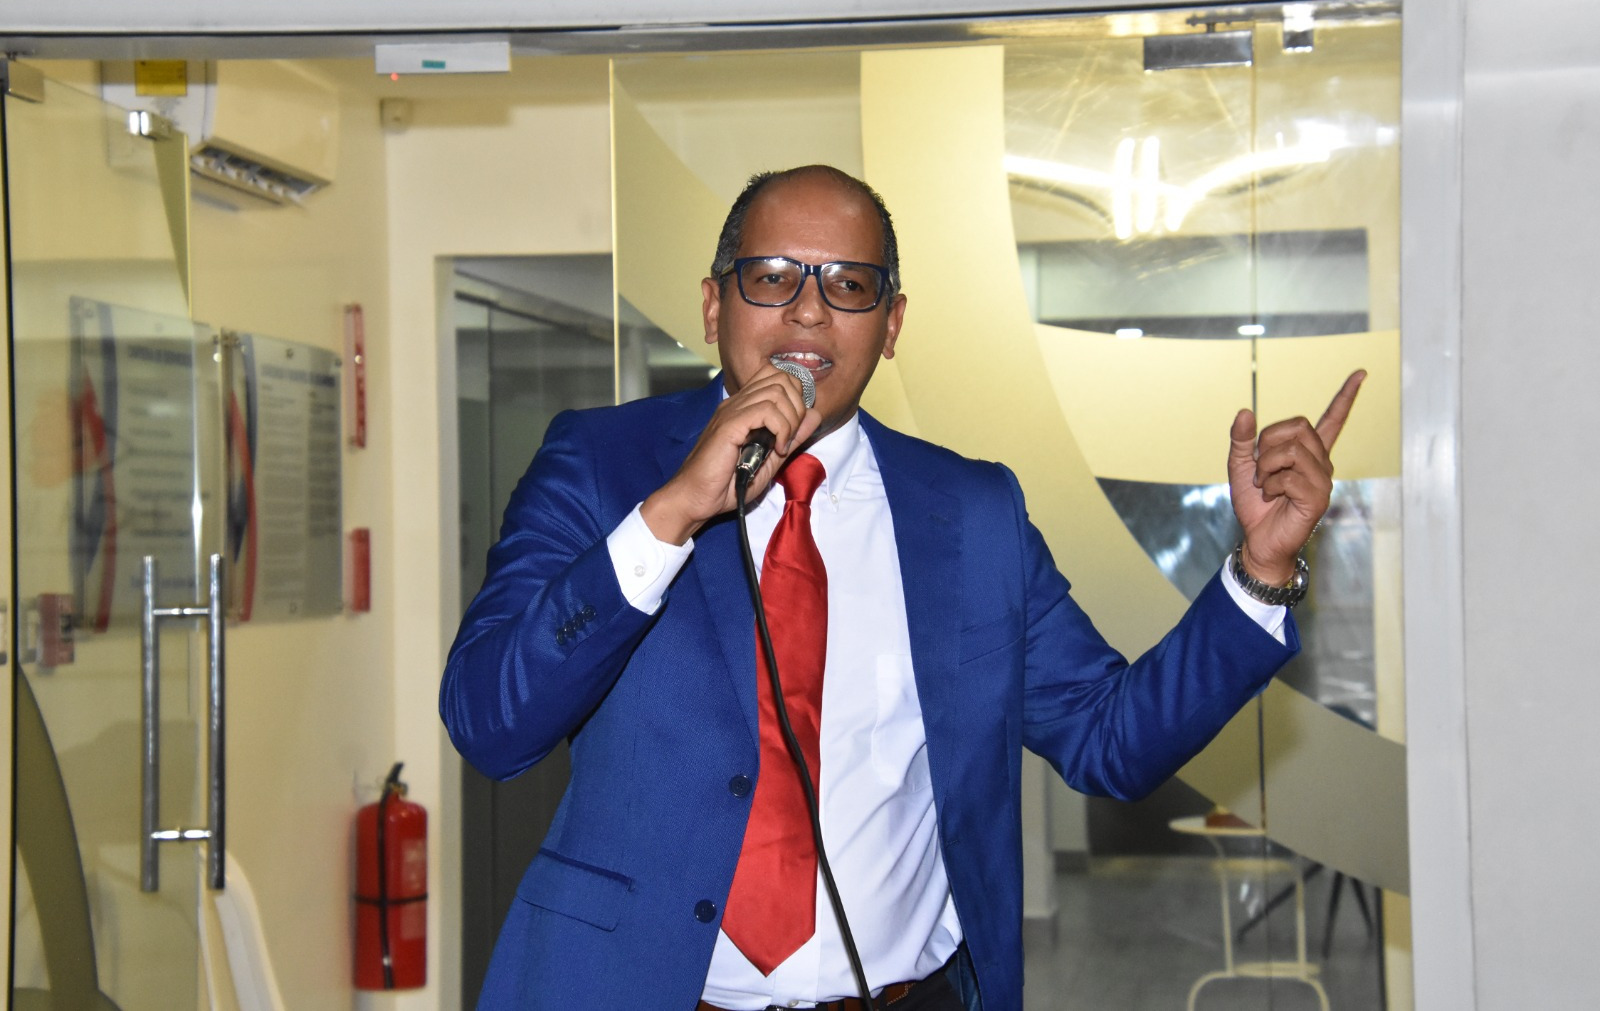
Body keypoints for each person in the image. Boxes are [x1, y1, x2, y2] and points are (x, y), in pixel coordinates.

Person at [441, 164, 1363, 1011]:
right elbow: (490, 722)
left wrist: (1262, 570)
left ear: (891, 326)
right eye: (773, 276)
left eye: (849, 285)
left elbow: (1108, 738)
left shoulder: (971, 512)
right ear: (714, 305)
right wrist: (672, 511)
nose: (810, 311)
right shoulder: (599, 464)